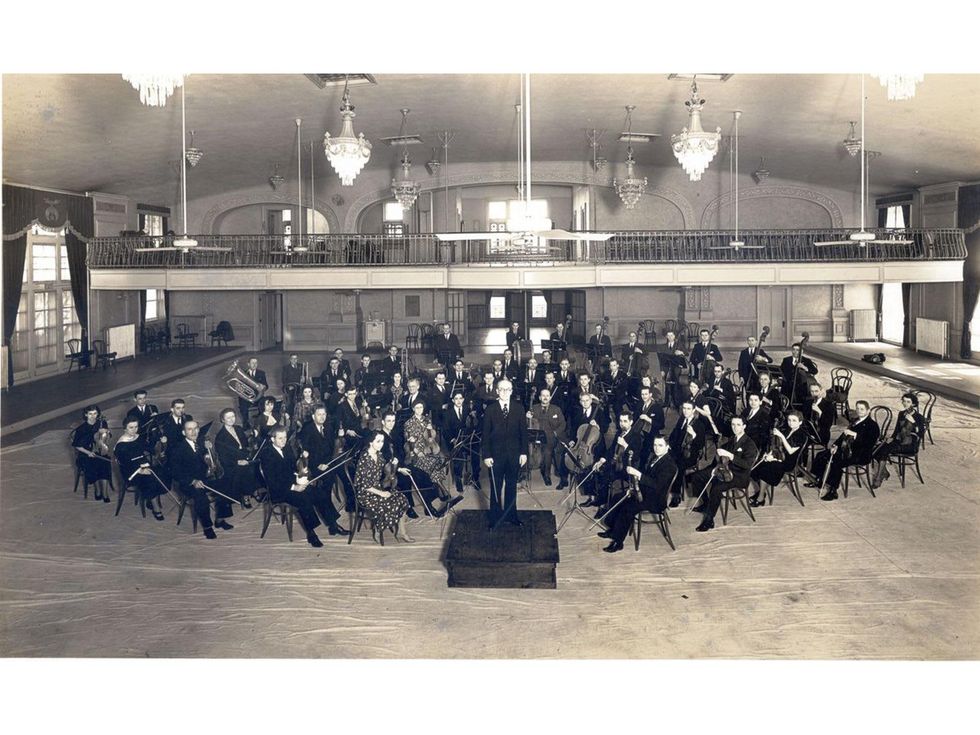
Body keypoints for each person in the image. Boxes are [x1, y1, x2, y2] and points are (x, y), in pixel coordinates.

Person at [598, 436, 676, 553]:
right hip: (646, 492)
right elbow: (648, 479)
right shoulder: (655, 458)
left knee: (628, 508)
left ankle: (618, 542)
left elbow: (656, 485)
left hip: (656, 500)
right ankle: (613, 529)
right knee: (618, 497)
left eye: (660, 445)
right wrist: (634, 489)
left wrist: (638, 474)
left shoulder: (669, 465)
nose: (657, 448)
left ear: (667, 447)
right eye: (655, 445)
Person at [258, 426, 330, 547]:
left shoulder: (287, 448)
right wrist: (294, 487)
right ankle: (311, 534)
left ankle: (332, 524)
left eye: (285, 437)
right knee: (304, 499)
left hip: (293, 483)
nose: (284, 440)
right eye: (280, 438)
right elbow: (273, 481)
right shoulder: (267, 454)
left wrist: (301, 471)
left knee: (319, 493)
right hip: (279, 490)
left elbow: (293, 467)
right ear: (272, 439)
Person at [689, 415, 759, 532]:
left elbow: (747, 465)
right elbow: (720, 455)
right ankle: (706, 503)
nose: (735, 428)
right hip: (724, 470)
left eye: (738, 425)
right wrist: (714, 468)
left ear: (744, 426)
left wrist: (731, 456)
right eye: (733, 425)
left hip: (739, 476)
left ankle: (709, 520)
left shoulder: (749, 444)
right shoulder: (732, 439)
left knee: (716, 488)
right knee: (697, 477)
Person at [169, 420, 232, 540]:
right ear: (183, 432)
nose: (193, 432)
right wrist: (192, 481)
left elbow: (211, 462)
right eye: (189, 429)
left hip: (205, 477)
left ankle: (220, 519)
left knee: (226, 485)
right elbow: (175, 472)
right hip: (188, 483)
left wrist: (210, 449)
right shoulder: (177, 449)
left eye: (195, 428)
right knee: (200, 496)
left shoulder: (202, 443)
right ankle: (208, 527)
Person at [806, 400, 880, 501]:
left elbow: (869, 444)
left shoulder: (872, 425)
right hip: (846, 449)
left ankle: (833, 490)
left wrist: (855, 435)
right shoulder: (854, 421)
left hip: (861, 454)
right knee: (821, 455)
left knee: (836, 461)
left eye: (862, 409)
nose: (859, 411)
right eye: (857, 408)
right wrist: (835, 445)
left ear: (868, 411)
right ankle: (819, 480)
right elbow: (843, 436)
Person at [481, 380, 528, 527]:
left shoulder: (519, 409)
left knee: (511, 486)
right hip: (495, 456)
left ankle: (511, 516)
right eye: (502, 389)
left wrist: (524, 453)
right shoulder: (490, 409)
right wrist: (486, 456)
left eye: (508, 389)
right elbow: (485, 435)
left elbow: (523, 434)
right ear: (497, 391)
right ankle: (495, 518)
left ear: (512, 391)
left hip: (514, 455)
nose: (505, 392)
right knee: (496, 487)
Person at [353, 431, 414, 542]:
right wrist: (382, 493)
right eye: (378, 441)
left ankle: (401, 532)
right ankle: (377, 529)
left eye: (382, 441)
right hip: (366, 493)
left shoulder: (379, 454)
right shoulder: (365, 459)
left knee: (403, 499)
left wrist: (395, 465)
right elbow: (364, 485)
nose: (381, 444)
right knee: (390, 504)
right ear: (370, 442)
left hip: (377, 488)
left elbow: (386, 468)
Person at [749, 410, 807, 506]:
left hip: (789, 461)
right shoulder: (787, 430)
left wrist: (781, 437)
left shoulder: (801, 435)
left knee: (766, 468)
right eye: (789, 420)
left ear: (800, 422)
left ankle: (760, 499)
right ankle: (761, 492)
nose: (791, 423)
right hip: (780, 456)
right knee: (756, 467)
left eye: (794, 421)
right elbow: (777, 446)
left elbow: (790, 451)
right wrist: (768, 454)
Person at [113, 417, 166, 520]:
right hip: (131, 472)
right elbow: (125, 464)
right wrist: (140, 470)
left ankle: (151, 498)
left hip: (144, 465)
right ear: (125, 428)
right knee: (150, 480)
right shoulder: (121, 445)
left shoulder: (138, 437)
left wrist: (158, 440)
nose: (134, 430)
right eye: (131, 427)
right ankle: (156, 508)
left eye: (136, 427)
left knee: (162, 472)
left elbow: (150, 449)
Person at [871, 392, 925, 488]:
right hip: (898, 440)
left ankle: (879, 478)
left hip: (910, 445)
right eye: (904, 401)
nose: (905, 403)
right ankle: (884, 472)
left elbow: (921, 433)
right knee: (875, 448)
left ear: (913, 404)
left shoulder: (919, 417)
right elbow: (897, 430)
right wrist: (891, 438)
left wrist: (914, 422)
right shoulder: (901, 413)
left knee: (884, 450)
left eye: (908, 402)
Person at [214, 408, 259, 509]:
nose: (231, 419)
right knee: (245, 469)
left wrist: (250, 451)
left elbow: (245, 444)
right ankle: (246, 495)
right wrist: (238, 462)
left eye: (233, 416)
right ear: (222, 420)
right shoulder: (220, 436)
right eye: (228, 418)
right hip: (231, 463)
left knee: (257, 463)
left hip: (243, 456)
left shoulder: (238, 428)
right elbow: (223, 457)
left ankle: (254, 489)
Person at [667, 401, 709, 507]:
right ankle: (663, 487)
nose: (685, 411)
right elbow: (674, 435)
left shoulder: (699, 424)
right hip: (677, 450)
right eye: (684, 408)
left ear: (694, 410)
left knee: (678, 466)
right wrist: (669, 445)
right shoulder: (682, 420)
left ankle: (676, 495)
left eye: (688, 409)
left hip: (691, 454)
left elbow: (700, 445)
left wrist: (694, 435)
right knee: (663, 460)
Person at [71, 405, 114, 502]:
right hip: (85, 454)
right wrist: (88, 452)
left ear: (98, 414)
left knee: (105, 463)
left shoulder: (102, 423)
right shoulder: (81, 429)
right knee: (93, 464)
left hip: (100, 451)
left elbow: (107, 437)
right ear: (86, 415)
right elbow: (77, 446)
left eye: (95, 413)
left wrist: (106, 432)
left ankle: (105, 493)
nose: (93, 416)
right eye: (90, 414)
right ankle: (97, 490)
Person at [527, 387, 567, 487]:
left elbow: (563, 424)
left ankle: (547, 475)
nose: (545, 397)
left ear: (550, 397)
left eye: (547, 396)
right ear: (540, 397)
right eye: (543, 396)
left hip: (551, 437)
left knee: (547, 452)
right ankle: (523, 473)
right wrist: (527, 417)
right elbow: (528, 424)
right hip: (536, 436)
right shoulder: (534, 408)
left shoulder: (556, 409)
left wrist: (555, 433)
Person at [237, 357, 268, 429]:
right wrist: (241, 389)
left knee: (264, 403)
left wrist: (263, 386)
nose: (254, 364)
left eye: (256, 363)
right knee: (243, 406)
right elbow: (238, 386)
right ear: (248, 364)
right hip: (246, 397)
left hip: (258, 396)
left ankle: (261, 421)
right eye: (252, 363)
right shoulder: (243, 374)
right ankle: (245, 423)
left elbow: (266, 386)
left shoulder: (261, 373)